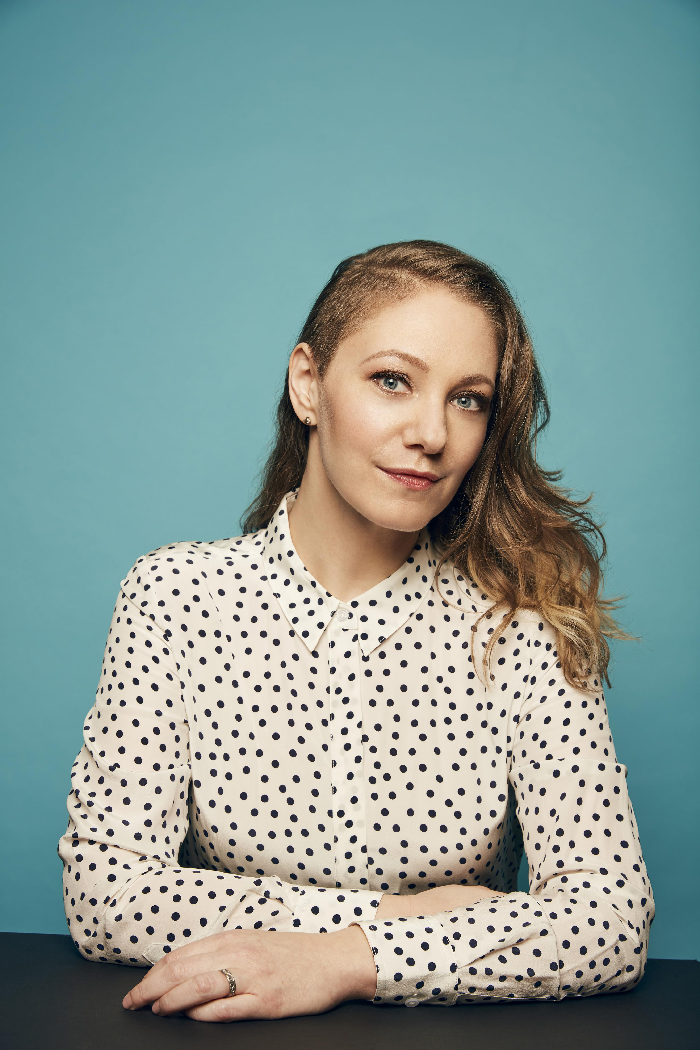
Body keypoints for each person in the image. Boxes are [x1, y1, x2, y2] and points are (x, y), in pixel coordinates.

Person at [58, 240, 654, 1022]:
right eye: (393, 381)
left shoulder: (524, 627)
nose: (433, 433)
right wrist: (393, 921)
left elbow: (611, 921)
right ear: (309, 383)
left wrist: (347, 961)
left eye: (468, 398)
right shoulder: (176, 598)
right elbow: (107, 891)